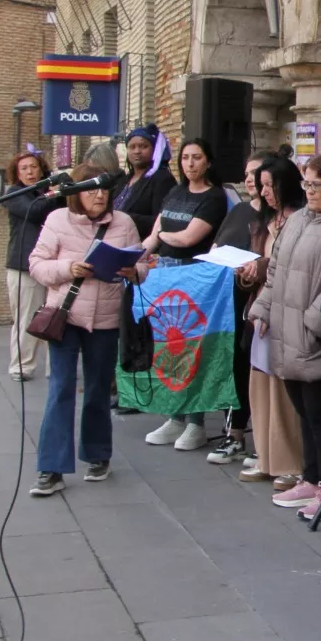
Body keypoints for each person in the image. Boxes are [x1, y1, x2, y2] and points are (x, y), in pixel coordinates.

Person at [250, 153, 321, 518]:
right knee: (302, 411)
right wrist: (263, 308)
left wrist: (310, 322)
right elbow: (276, 272)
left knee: (320, 416)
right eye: (307, 183)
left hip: (314, 339)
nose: (310, 191)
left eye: (318, 184)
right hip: (286, 334)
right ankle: (311, 475)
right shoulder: (299, 219)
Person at [27, 162, 147, 496]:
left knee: (97, 389)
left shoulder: (124, 223)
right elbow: (36, 264)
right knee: (61, 389)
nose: (99, 195)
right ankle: (51, 469)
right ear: (76, 194)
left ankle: (97, 454)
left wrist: (135, 272)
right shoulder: (57, 220)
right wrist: (69, 268)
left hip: (106, 320)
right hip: (64, 317)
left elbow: (141, 265)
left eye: (105, 189)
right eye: (92, 190)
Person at [141, 137, 230, 451]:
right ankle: (175, 416)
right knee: (170, 348)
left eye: (197, 157)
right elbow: (153, 237)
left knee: (193, 349)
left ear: (208, 161)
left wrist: (163, 235)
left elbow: (188, 238)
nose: (190, 164)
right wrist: (134, 256)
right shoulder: (175, 192)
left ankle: (196, 423)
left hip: (193, 277)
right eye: (185, 158)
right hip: (164, 275)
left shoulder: (214, 196)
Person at [241, 155, 307, 488]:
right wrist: (247, 272)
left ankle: (289, 462)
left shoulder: (302, 220)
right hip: (260, 311)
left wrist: (263, 266)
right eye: (262, 185)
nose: (265, 192)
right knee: (260, 385)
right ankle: (265, 457)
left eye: (271, 185)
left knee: (283, 392)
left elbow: (292, 267)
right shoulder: (264, 221)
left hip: (288, 312)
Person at [206, 150, 274, 466]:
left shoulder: (278, 217)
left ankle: (264, 440)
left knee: (256, 369)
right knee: (233, 365)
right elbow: (217, 246)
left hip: (259, 302)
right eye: (246, 173)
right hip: (228, 300)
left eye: (256, 173)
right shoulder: (239, 211)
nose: (249, 179)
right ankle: (233, 434)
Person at [112, 125, 177, 414]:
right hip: (119, 255)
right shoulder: (123, 180)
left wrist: (125, 218)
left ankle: (138, 389)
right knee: (123, 328)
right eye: (132, 146)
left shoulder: (161, 179)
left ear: (154, 149)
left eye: (143, 146)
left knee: (138, 328)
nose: (137, 151)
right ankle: (121, 384)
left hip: (145, 258)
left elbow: (161, 221)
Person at [3, 150, 61, 381]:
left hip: (53, 265)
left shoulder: (49, 193)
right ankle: (21, 367)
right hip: (24, 267)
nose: (30, 172)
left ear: (42, 169)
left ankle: (54, 368)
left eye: (34, 167)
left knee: (54, 317)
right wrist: (54, 193)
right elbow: (34, 211)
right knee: (27, 318)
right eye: (24, 168)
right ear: (17, 174)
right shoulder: (15, 193)